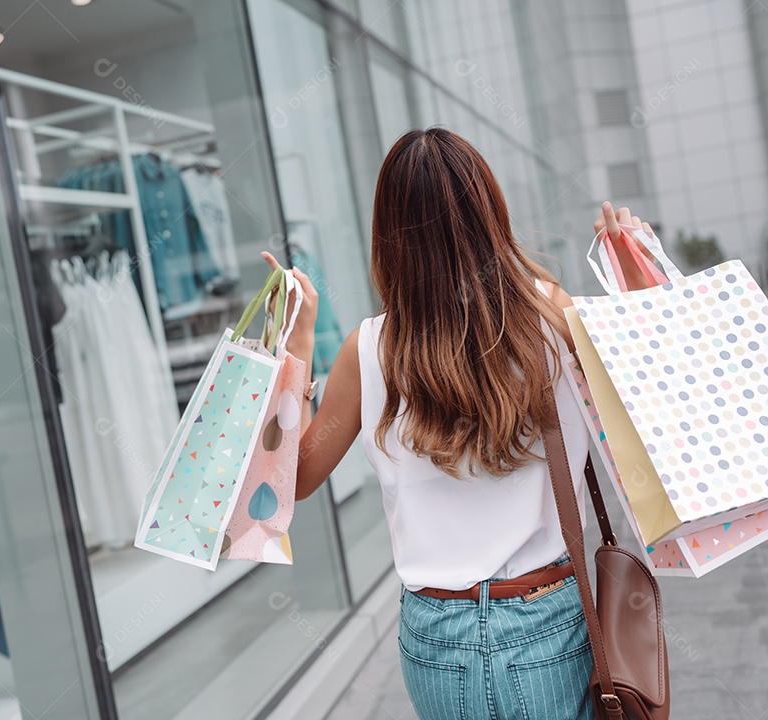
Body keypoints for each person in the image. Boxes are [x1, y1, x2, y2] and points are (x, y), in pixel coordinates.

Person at [261, 128, 654, 720]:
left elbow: (291, 480)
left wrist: (294, 348)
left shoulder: (366, 352)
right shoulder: (551, 318)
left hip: (435, 634)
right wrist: (638, 283)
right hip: (546, 613)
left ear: (389, 234)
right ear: (489, 214)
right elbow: (656, 411)